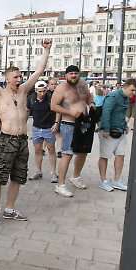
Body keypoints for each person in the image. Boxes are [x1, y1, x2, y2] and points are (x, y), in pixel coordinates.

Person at [0, 38, 52, 228]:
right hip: (6, 140)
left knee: (18, 177)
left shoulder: (24, 91)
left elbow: (38, 72)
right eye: (16, 77)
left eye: (20, 77)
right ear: (7, 79)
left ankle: (10, 209)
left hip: (21, 141)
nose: (19, 80)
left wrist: (46, 50)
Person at [50, 65, 92, 197]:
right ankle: (60, 185)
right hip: (69, 124)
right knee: (67, 154)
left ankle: (75, 177)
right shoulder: (61, 88)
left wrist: (91, 105)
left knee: (83, 152)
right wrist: (70, 112)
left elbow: (89, 98)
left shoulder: (83, 84)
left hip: (84, 123)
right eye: (71, 73)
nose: (73, 75)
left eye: (76, 73)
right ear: (66, 75)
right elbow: (53, 106)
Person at [98, 79, 136, 192]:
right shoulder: (113, 96)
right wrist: (105, 128)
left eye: (135, 91)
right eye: (132, 90)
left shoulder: (125, 98)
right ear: (125, 87)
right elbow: (106, 112)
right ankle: (103, 181)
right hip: (109, 131)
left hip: (120, 131)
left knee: (121, 155)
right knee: (105, 156)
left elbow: (121, 113)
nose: (133, 93)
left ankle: (116, 180)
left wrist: (125, 125)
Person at [27, 80, 57, 183]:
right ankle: (38, 171)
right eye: (40, 91)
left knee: (51, 150)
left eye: (44, 91)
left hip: (49, 128)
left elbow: (57, 110)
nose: (42, 93)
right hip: (36, 128)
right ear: (36, 91)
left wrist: (56, 123)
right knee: (37, 150)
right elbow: (27, 111)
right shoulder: (31, 98)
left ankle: (53, 173)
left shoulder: (50, 98)